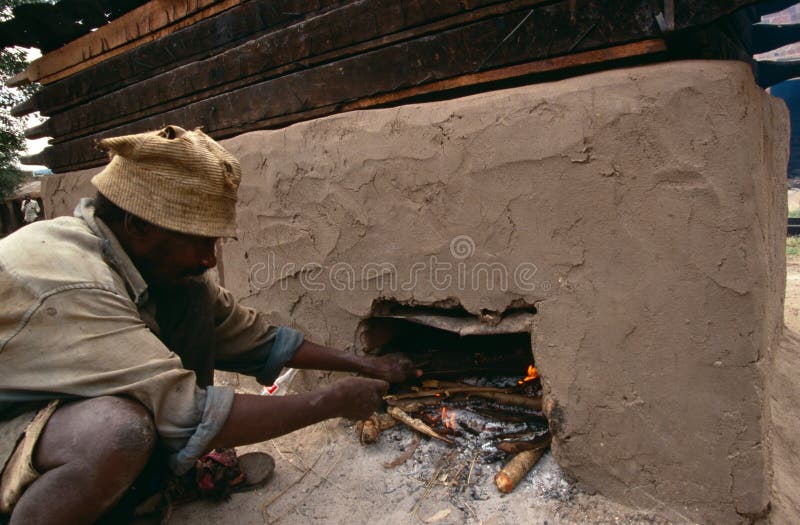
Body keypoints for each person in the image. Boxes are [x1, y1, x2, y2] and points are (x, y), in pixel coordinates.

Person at [0, 125, 420, 524]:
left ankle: (159, 482)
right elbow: (186, 413)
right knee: (116, 431)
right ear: (138, 226)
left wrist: (364, 365)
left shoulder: (144, 266)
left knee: (193, 298)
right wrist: (330, 402)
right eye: (199, 241)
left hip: (49, 406)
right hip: (11, 421)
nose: (210, 258)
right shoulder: (72, 282)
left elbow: (254, 340)